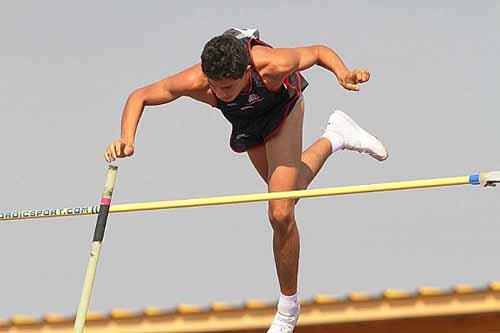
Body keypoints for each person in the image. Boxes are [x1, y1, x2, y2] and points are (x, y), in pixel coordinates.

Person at [104, 28, 388, 333]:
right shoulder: (196, 80)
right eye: (217, 88)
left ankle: (288, 310)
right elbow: (140, 96)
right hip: (246, 122)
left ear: (247, 71)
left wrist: (342, 74)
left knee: (280, 212)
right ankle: (336, 135)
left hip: (282, 108)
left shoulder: (271, 64)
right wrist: (127, 139)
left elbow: (318, 52)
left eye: (229, 86)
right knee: (286, 196)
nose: (222, 93)